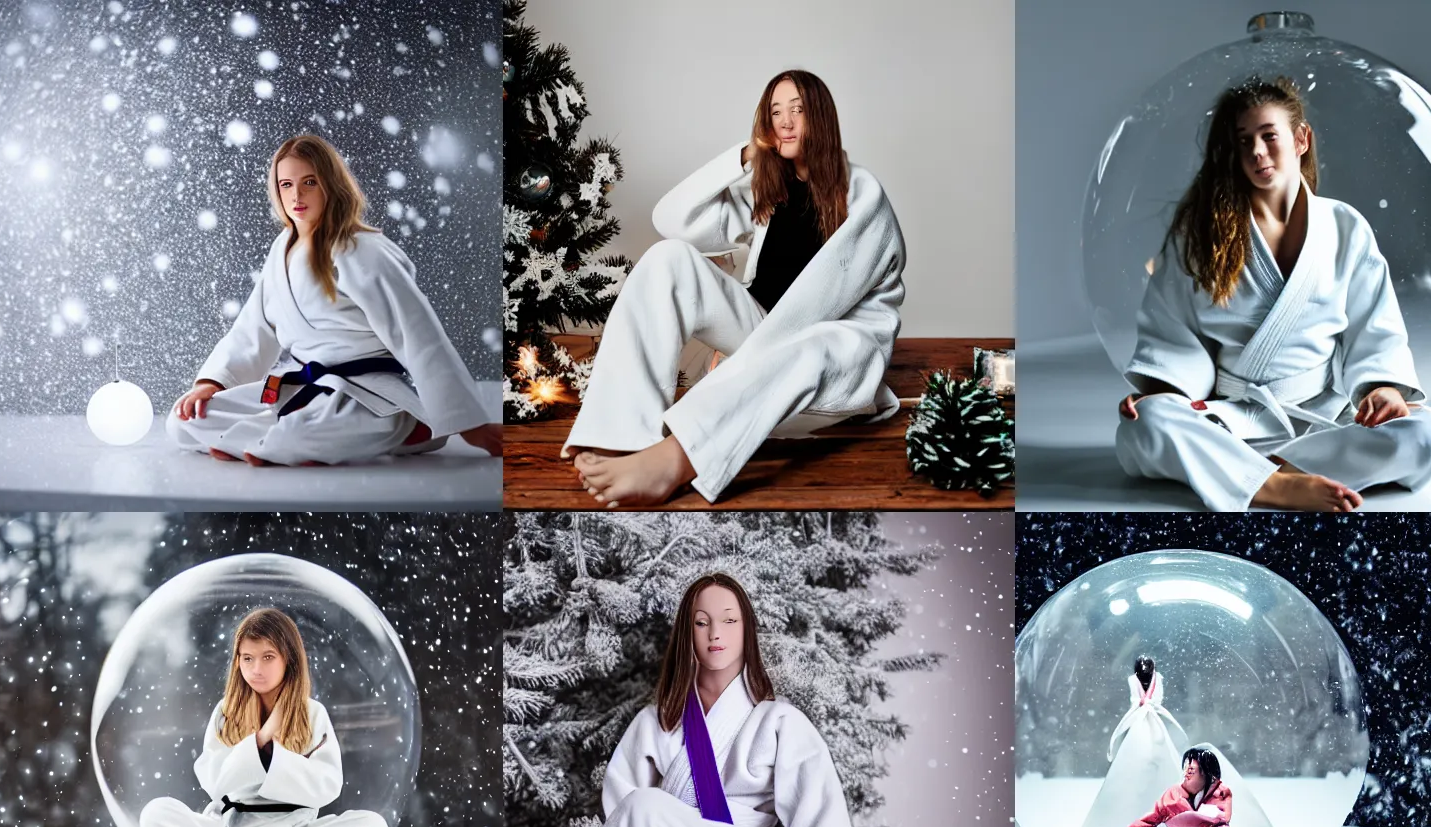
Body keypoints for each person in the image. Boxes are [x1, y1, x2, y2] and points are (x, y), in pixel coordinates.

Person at [503, 572, 931, 827]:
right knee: (640, 809)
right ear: (686, 634)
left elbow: (821, 820)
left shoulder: (780, 722)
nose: (715, 634)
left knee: (644, 808)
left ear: (748, 631)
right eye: (701, 622)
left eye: (729, 620)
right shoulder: (655, 725)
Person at [565, 70, 905, 507]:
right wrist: (746, 155)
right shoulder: (768, 190)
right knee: (668, 257)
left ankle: (677, 458)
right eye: (775, 112)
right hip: (762, 336)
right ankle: (619, 432)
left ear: (821, 117)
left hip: (836, 361)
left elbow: (820, 305)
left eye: (798, 110)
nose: (785, 122)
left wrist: (732, 373)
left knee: (815, 341)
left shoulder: (862, 195)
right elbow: (670, 218)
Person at [1115, 76, 1431, 512]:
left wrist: (1383, 386)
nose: (1257, 152)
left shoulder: (1344, 226)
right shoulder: (1201, 235)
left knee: (1430, 435)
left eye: (1268, 136)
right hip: (1231, 417)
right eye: (1243, 142)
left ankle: (1255, 471)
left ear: (1301, 139)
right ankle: (1278, 485)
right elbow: (1172, 330)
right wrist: (1164, 390)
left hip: (1323, 417)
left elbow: (1374, 325)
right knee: (1143, 428)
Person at [167, 133, 503, 466]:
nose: (296, 195)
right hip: (304, 388)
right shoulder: (281, 249)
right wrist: (212, 383)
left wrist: (468, 423)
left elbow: (417, 333)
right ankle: (272, 443)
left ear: (331, 183)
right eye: (286, 185)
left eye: (309, 182)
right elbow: (252, 330)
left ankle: (407, 426)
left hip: (370, 396)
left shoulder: (362, 249)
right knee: (185, 420)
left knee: (296, 435)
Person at [138, 607, 391, 827]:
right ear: (237, 661)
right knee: (155, 814)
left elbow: (328, 785)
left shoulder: (313, 713)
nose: (256, 669)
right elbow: (215, 782)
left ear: (289, 659)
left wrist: (275, 758)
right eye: (247, 658)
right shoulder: (225, 712)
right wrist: (260, 740)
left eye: (267, 657)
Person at [1077, 656, 1189, 827]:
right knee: (1132, 765)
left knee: (1163, 762)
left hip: (1155, 724)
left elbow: (1156, 700)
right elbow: (1135, 703)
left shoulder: (1158, 680)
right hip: (1138, 724)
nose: (1145, 668)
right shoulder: (1132, 681)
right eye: (1142, 666)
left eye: (1148, 665)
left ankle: (1173, 823)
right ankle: (1121, 823)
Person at [1110, 746, 1248, 827]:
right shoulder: (1172, 794)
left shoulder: (1221, 792)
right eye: (1185, 769)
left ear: (1207, 773)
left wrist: (1192, 820)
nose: (1186, 773)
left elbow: (1221, 819)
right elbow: (1148, 821)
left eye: (1192, 770)